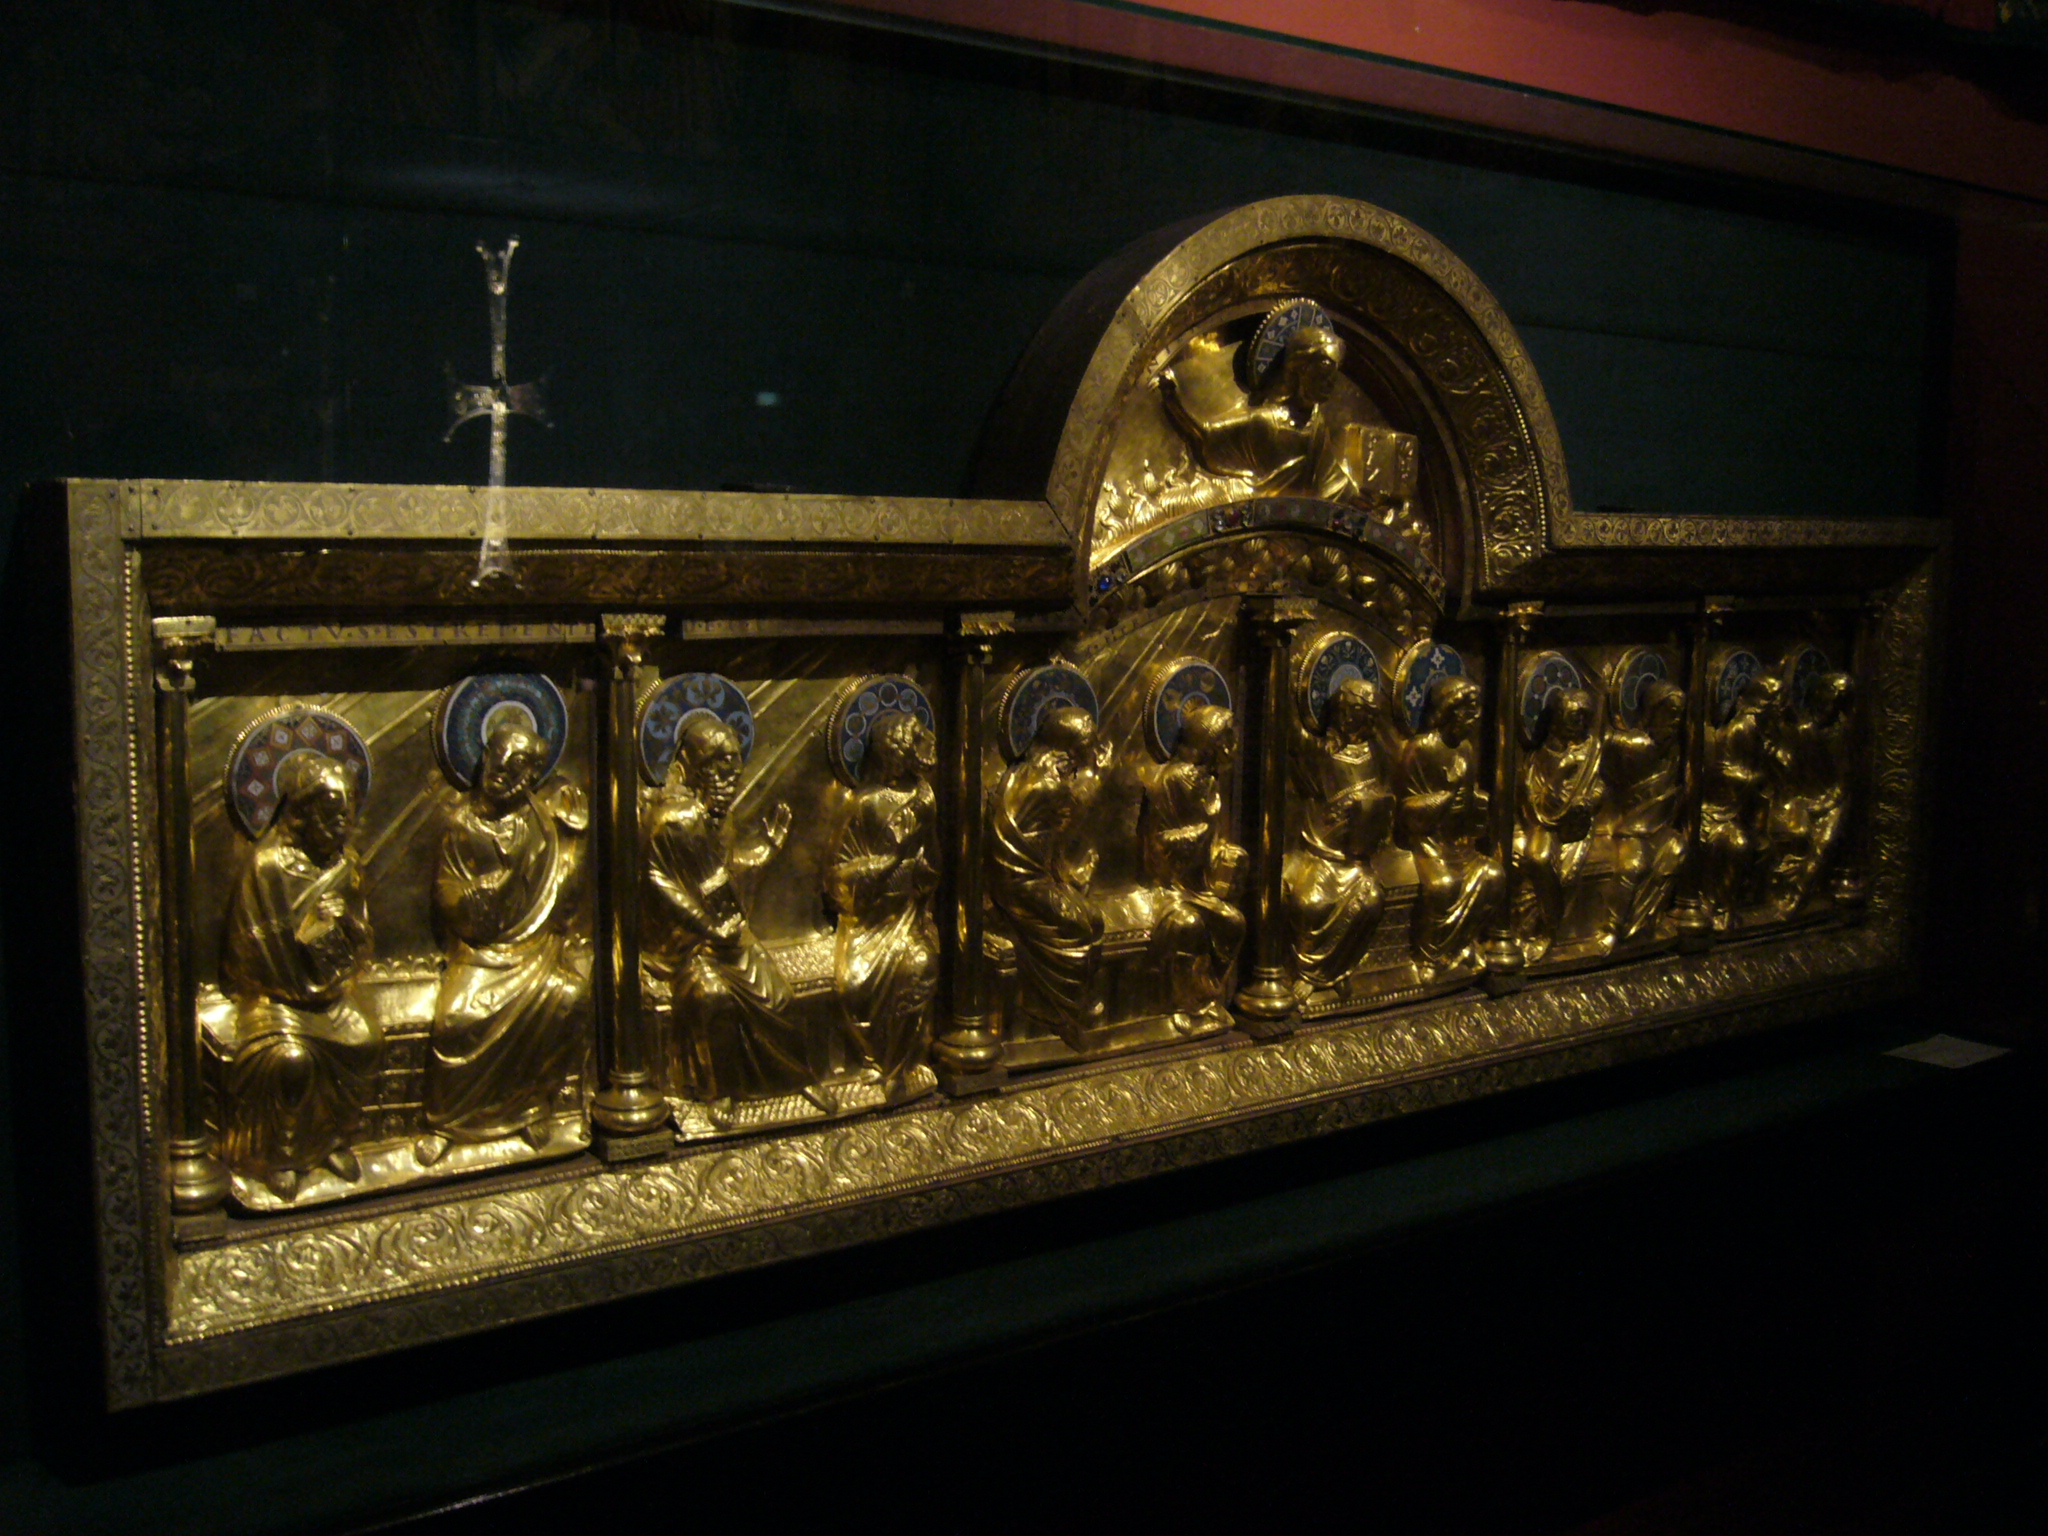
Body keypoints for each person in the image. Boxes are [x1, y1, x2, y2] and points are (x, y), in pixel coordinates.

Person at [415, 721, 590, 1167]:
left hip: (533, 947)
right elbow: (446, 891)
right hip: (480, 949)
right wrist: (472, 897)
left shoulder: (541, 821)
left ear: (531, 776)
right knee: (456, 1017)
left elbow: (562, 892)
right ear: (484, 758)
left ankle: (530, 1107)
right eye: (499, 760)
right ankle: (446, 1122)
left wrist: (575, 838)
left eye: (520, 768)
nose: (506, 773)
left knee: (567, 995)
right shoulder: (462, 823)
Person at [219, 752, 378, 1201]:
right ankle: (279, 1157)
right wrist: (294, 957)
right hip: (276, 999)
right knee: (291, 1059)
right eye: (329, 819)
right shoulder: (267, 867)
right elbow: (245, 948)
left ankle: (330, 1140)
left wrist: (345, 920)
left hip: (328, 994)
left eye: (346, 819)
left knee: (365, 1040)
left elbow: (365, 942)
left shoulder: (345, 867)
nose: (339, 830)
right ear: (301, 814)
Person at [643, 714, 813, 1107]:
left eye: (732, 770)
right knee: (712, 997)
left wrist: (766, 850)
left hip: (728, 936)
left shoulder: (719, 820)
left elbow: (723, 877)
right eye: (715, 770)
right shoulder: (672, 820)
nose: (726, 781)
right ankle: (717, 1092)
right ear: (689, 768)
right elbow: (659, 882)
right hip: (681, 944)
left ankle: (791, 1079)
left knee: (781, 997)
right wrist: (706, 926)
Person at [825, 711, 940, 1098]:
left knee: (921, 964)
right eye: (917, 744)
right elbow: (836, 874)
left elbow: (933, 865)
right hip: (868, 918)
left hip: (908, 915)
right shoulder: (865, 803)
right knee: (854, 986)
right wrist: (888, 862)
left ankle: (899, 1067)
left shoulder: (924, 799)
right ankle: (875, 1063)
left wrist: (924, 848)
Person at [989, 705, 1109, 1050]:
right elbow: (1076, 809)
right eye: (1088, 742)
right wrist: (1095, 771)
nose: (1094, 747)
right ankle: (1057, 1010)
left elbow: (1051, 840)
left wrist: (1066, 875)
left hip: (1035, 875)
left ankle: (1062, 1005)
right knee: (1082, 924)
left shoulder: (1029, 771)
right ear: (1069, 747)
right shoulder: (1046, 785)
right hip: (1019, 883)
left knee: (1091, 919)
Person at [1139, 703, 1247, 1032]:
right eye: (1226, 740)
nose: (1232, 748)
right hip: (1167, 884)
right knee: (1188, 925)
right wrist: (1196, 835)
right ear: (1209, 742)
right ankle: (1183, 1003)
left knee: (1234, 922)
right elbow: (1157, 842)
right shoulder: (1173, 779)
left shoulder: (1209, 780)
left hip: (1198, 883)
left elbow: (1212, 835)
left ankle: (1206, 997)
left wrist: (1223, 854)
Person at [1283, 675, 1393, 993]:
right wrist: (1284, 678)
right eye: (1357, 712)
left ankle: (1339, 968)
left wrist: (1373, 820)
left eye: (1369, 714)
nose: (1362, 720)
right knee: (1309, 903)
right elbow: (1292, 735)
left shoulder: (1376, 753)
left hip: (1355, 859)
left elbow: (1387, 799)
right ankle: (1308, 974)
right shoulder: (1322, 753)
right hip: (1320, 855)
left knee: (1372, 899)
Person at [1395, 676, 1503, 972]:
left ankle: (1462, 945)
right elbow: (1405, 808)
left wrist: (1475, 803)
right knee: (1443, 886)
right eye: (1468, 710)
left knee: (1493, 875)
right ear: (1447, 711)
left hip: (1456, 841)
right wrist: (1445, 796)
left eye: (1476, 710)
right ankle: (1428, 956)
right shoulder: (1420, 748)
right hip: (1427, 841)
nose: (1475, 717)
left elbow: (1470, 795)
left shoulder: (1465, 748)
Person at [1511, 687, 1604, 962]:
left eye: (1583, 718)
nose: (1579, 725)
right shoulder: (1541, 755)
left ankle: (1546, 932)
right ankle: (1548, 926)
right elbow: (1535, 800)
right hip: (1544, 824)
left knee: (1566, 874)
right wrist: (1562, 769)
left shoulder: (1592, 748)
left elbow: (1599, 786)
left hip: (1577, 827)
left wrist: (1590, 802)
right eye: (1572, 718)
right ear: (1557, 720)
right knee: (1538, 859)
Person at [1761, 671, 1856, 918]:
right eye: (1829, 697)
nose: (1830, 705)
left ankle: (1797, 900)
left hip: (1831, 801)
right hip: (1801, 797)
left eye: (1837, 700)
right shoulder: (1803, 728)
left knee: (1821, 848)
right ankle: (1779, 895)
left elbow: (1843, 779)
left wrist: (1824, 805)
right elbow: (1789, 764)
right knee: (1788, 836)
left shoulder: (1841, 732)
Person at [1602, 680, 1690, 946]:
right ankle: (1612, 927)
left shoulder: (1676, 749)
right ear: (1652, 711)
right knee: (1633, 866)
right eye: (1670, 713)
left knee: (1677, 849)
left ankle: (1645, 923)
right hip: (1631, 828)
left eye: (1679, 715)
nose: (1675, 721)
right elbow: (1601, 740)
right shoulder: (1635, 744)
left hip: (1658, 828)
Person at [1700, 674, 1779, 927]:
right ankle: (1720, 907)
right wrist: (1756, 778)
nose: (1780, 707)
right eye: (1775, 700)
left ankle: (1744, 903)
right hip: (1718, 810)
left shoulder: (1763, 729)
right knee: (1738, 845)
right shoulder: (1741, 728)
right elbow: (1722, 771)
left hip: (1746, 807)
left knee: (1770, 843)